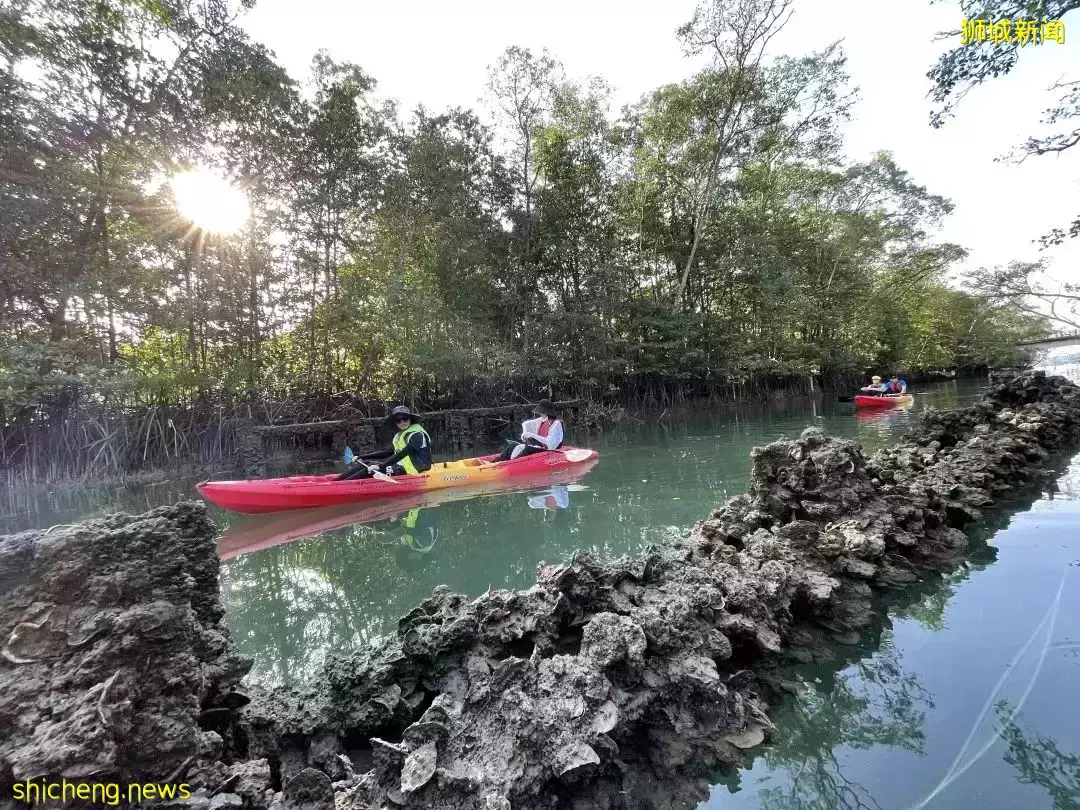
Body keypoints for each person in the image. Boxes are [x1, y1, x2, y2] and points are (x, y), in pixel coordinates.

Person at [337, 405, 432, 480]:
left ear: (410, 419)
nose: (402, 422)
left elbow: (403, 454)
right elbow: (387, 452)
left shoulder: (417, 435)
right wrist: (361, 457)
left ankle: (338, 488)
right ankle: (335, 483)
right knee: (368, 463)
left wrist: (381, 466)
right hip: (400, 467)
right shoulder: (400, 435)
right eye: (398, 420)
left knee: (369, 470)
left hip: (414, 470)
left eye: (405, 419)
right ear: (395, 423)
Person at [497, 399, 564, 461]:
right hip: (540, 448)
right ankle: (495, 462)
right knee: (512, 446)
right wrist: (524, 433)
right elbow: (525, 424)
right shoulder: (542, 420)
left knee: (528, 449)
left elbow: (550, 443)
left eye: (542, 412)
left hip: (550, 450)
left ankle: (512, 463)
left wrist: (531, 435)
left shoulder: (556, 424)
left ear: (547, 412)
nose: (540, 413)